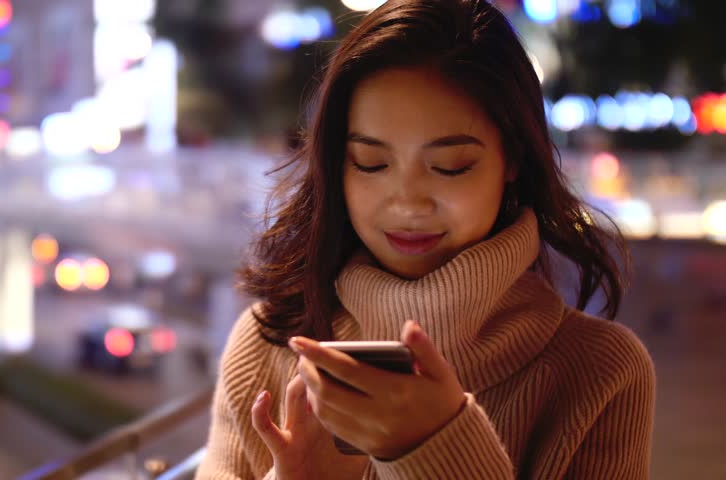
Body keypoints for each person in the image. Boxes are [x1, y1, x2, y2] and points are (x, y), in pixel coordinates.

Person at [195, 0, 656, 478]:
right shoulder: (268, 341)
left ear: (513, 159)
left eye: (450, 166)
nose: (408, 203)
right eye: (371, 163)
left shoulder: (601, 373)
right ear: (336, 165)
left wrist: (437, 447)